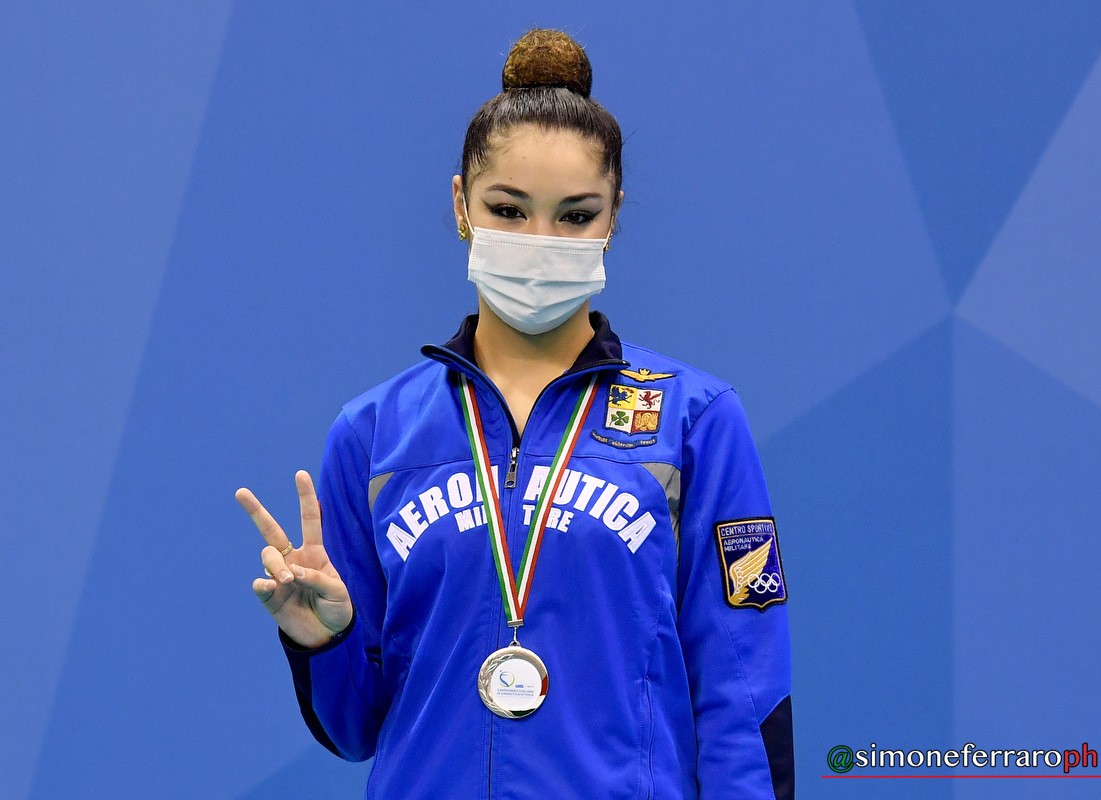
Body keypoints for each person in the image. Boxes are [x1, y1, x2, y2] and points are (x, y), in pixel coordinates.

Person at [236, 28, 793, 800]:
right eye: (508, 208)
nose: (540, 242)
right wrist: (322, 641)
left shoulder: (695, 421)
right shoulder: (373, 436)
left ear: (613, 217)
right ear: (461, 205)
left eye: (575, 216)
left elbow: (744, 689)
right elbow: (355, 729)